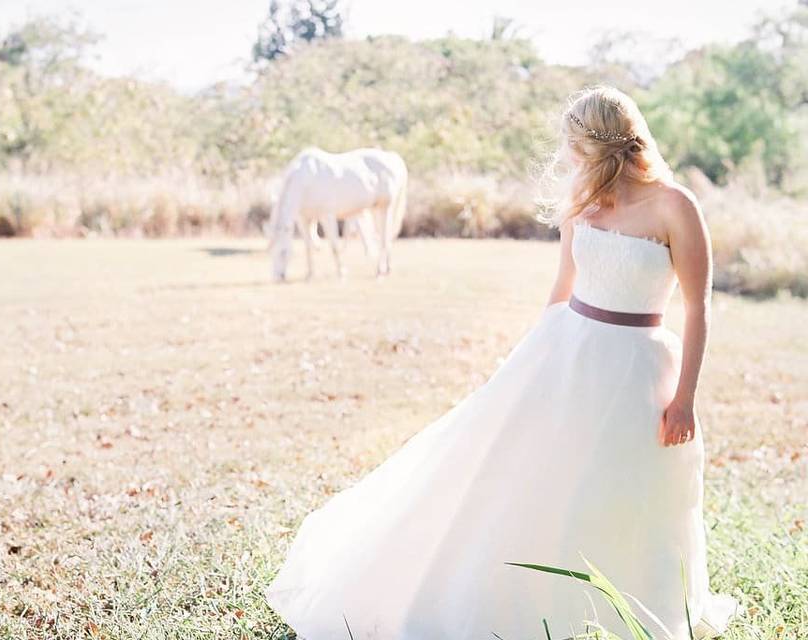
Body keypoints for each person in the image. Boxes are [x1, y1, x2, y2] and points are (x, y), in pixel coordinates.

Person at [266, 85, 738, 640]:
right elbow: (561, 290)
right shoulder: (583, 206)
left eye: (572, 146)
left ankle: (634, 606)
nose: (567, 157)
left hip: (639, 368)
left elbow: (697, 306)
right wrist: (527, 365)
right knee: (531, 478)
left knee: (631, 487)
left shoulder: (675, 205)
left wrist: (684, 398)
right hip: (568, 352)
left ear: (595, 143)